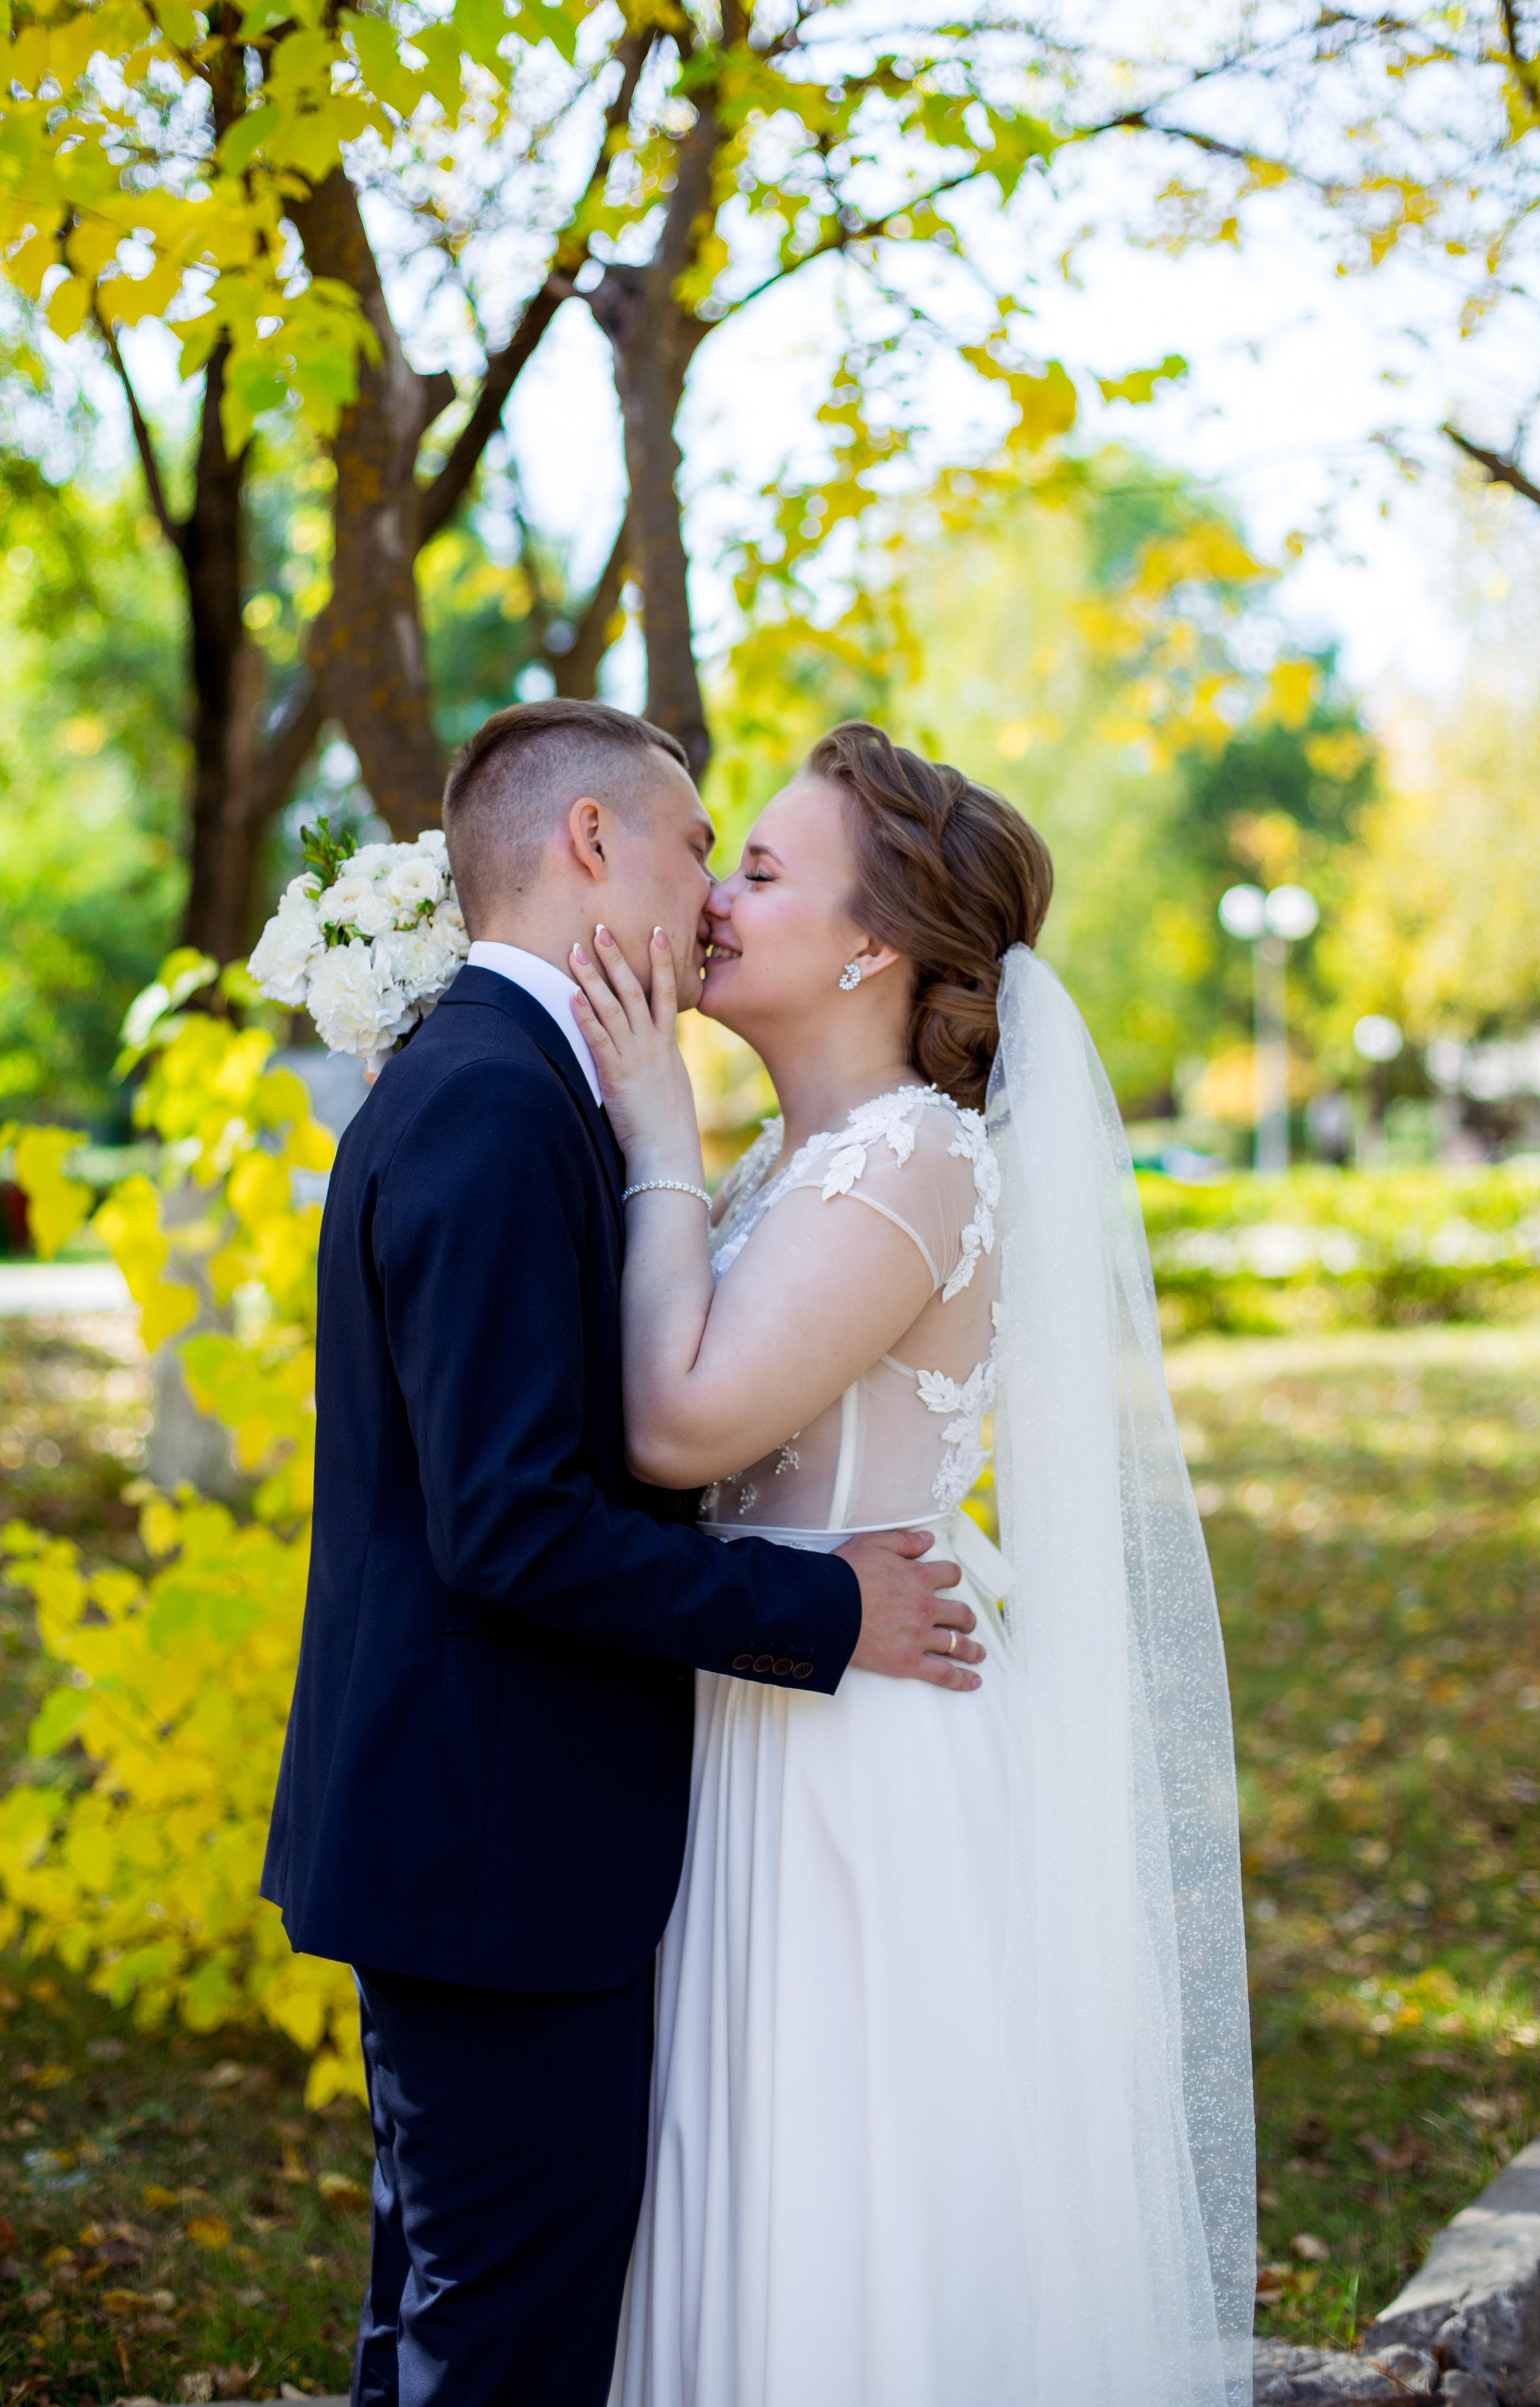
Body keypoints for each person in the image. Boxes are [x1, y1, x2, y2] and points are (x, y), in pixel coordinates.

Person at [260, 699, 988, 2407]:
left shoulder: (507, 1085)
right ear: (592, 845)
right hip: (496, 1849)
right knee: (497, 2340)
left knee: (459, 2321)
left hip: (512, 1836)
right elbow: (515, 1528)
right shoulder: (502, 1105)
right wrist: (824, 1602)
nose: (712, 887)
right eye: (695, 841)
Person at [570, 723, 1256, 2407]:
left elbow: (680, 1423)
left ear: (872, 943)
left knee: (844, 2208)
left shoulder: (912, 1159)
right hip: (765, 1720)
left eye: (762, 868)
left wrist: (654, 1112)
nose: (717, 893)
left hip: (853, 1770)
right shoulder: (798, 1161)